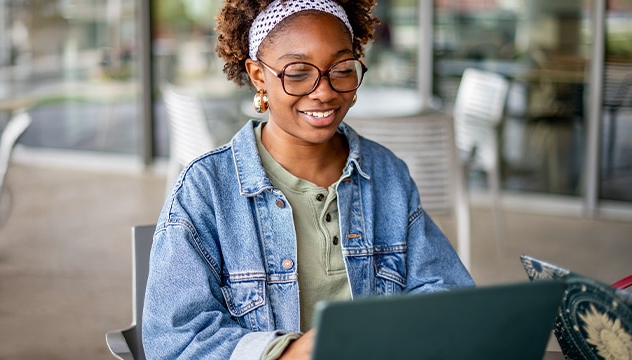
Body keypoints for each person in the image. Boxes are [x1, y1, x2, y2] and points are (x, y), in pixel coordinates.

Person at [142, 1, 475, 359]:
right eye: (298, 72)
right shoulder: (205, 190)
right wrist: (287, 353)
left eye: (342, 68)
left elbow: (444, 290)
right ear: (258, 76)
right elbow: (175, 338)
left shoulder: (387, 174)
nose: (325, 91)